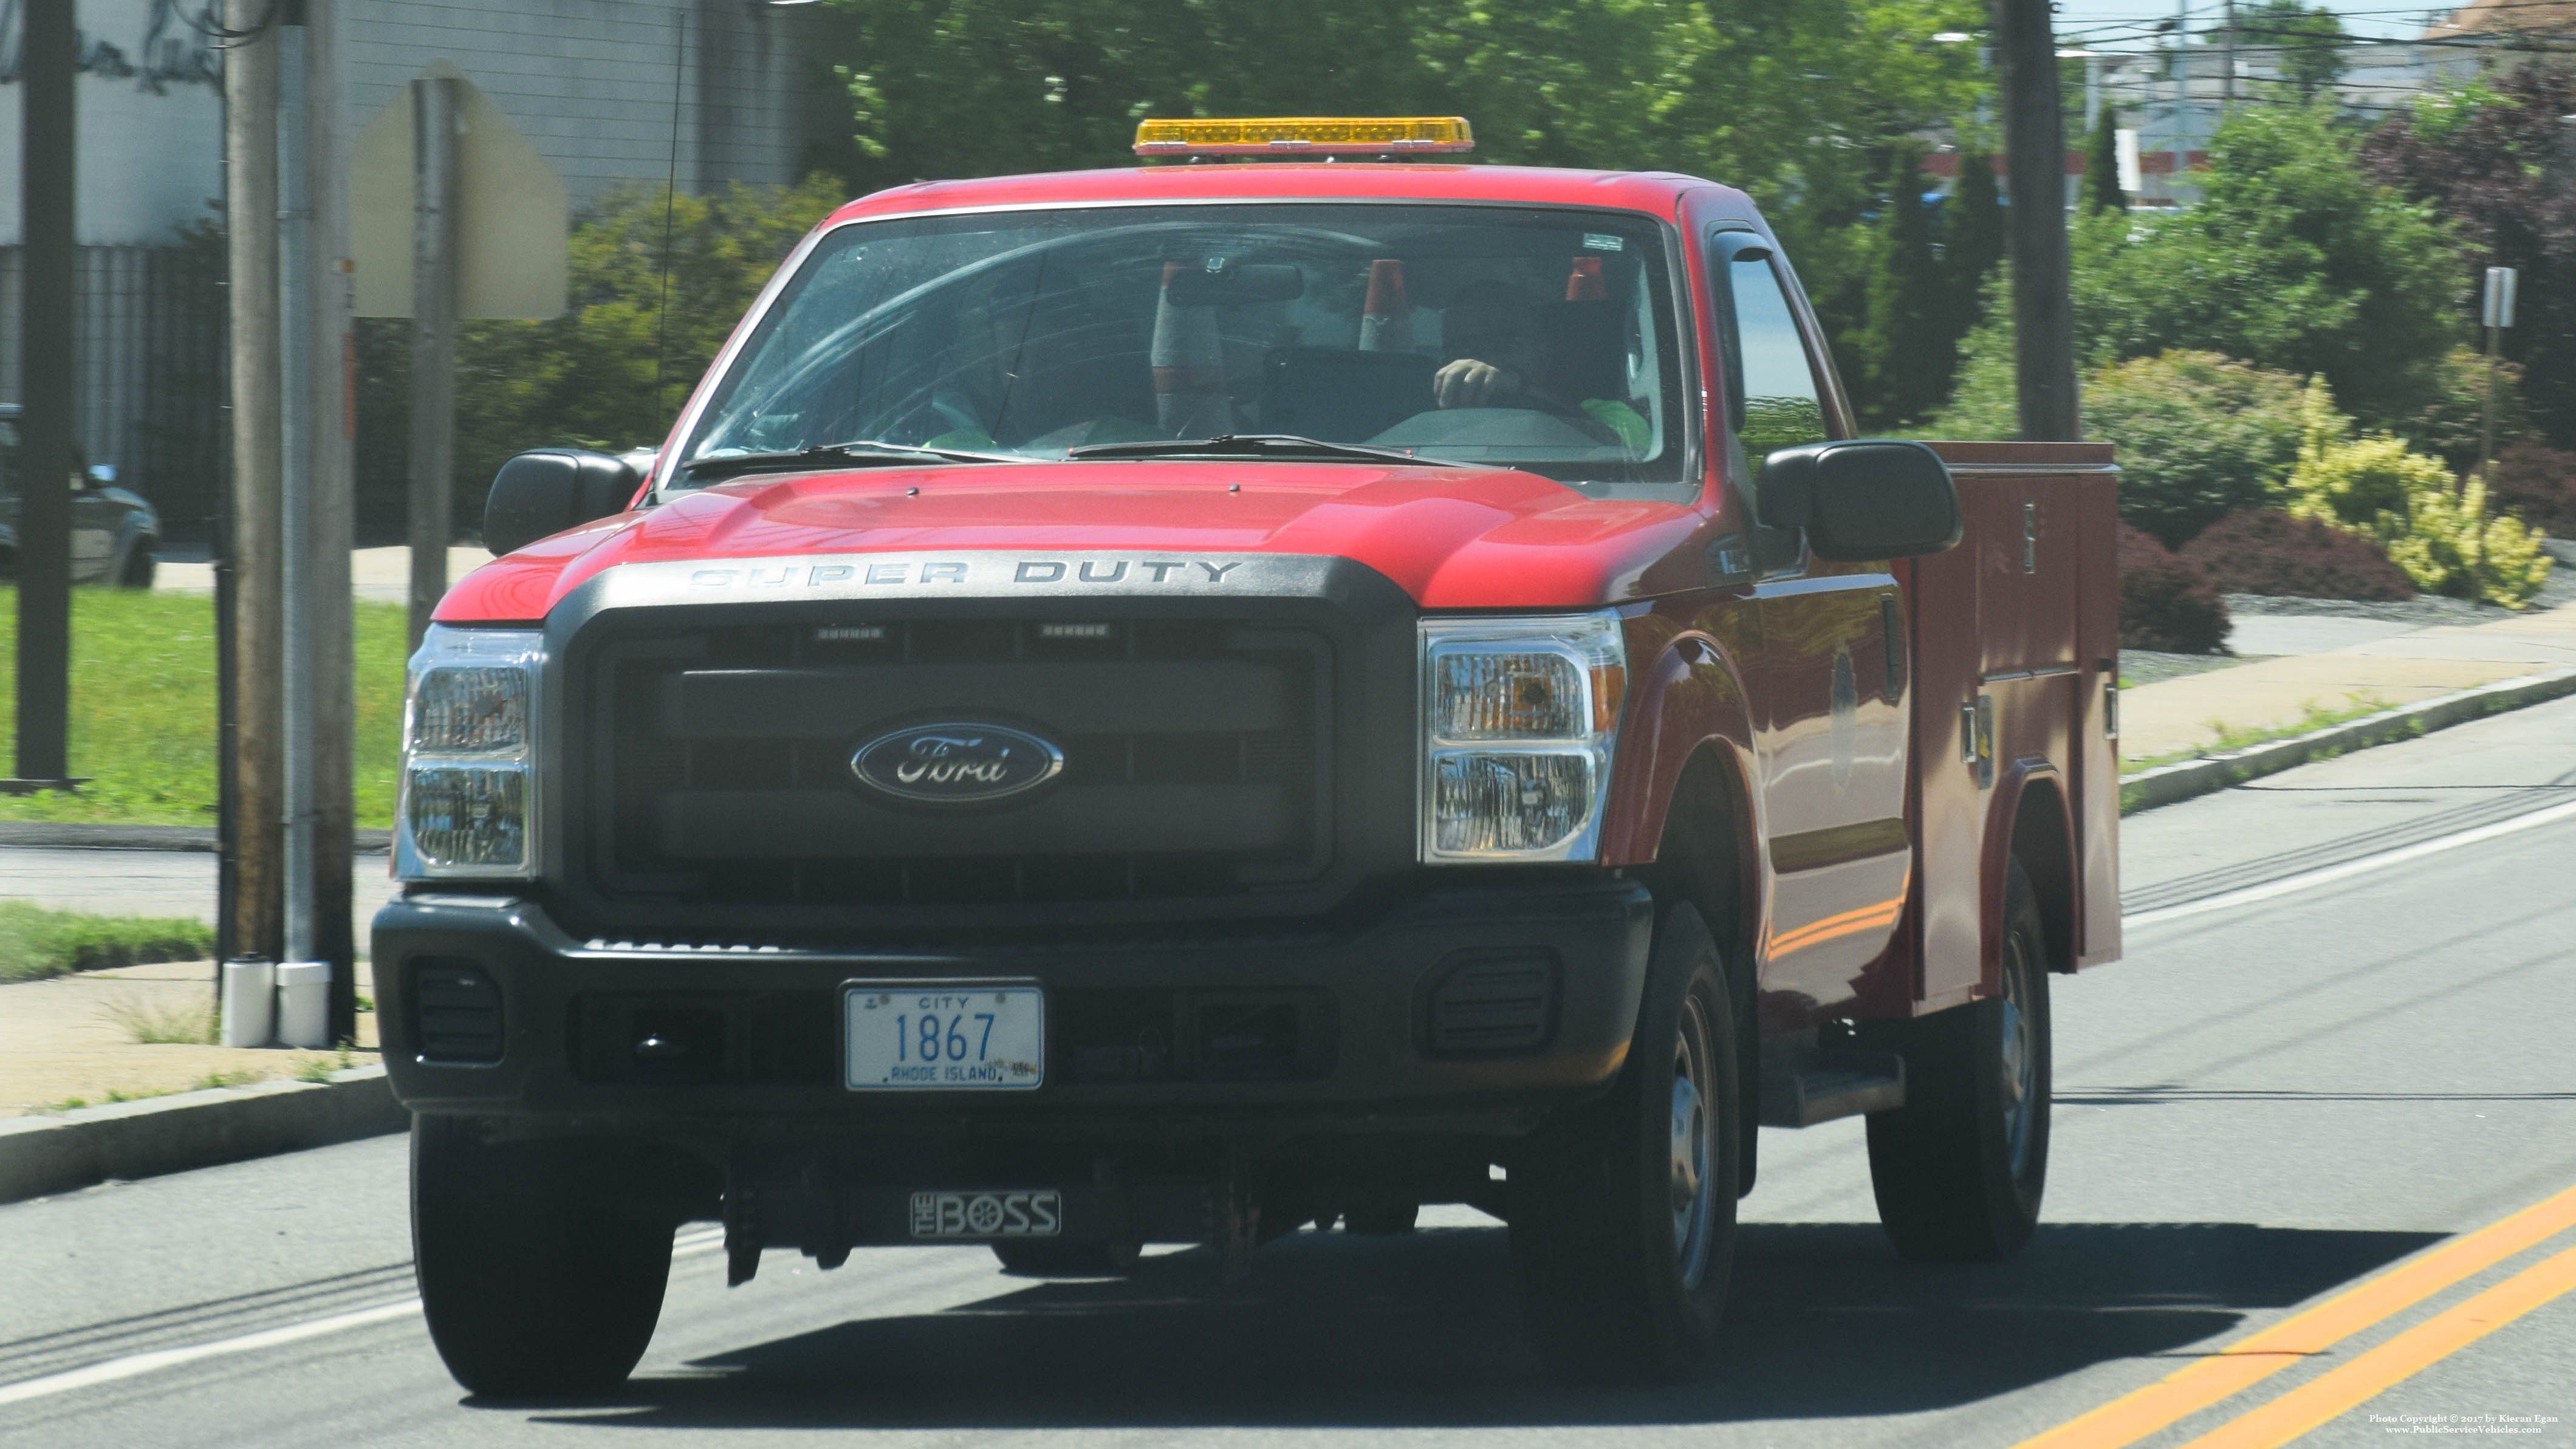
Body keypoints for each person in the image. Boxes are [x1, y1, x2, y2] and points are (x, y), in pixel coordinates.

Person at [1431, 281, 1649, 451]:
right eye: (1465, 348)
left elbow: (1628, 461)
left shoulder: (1607, 414)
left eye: (1504, 343)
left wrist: (1518, 387)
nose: (1484, 361)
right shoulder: (1422, 416)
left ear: (1543, 351)